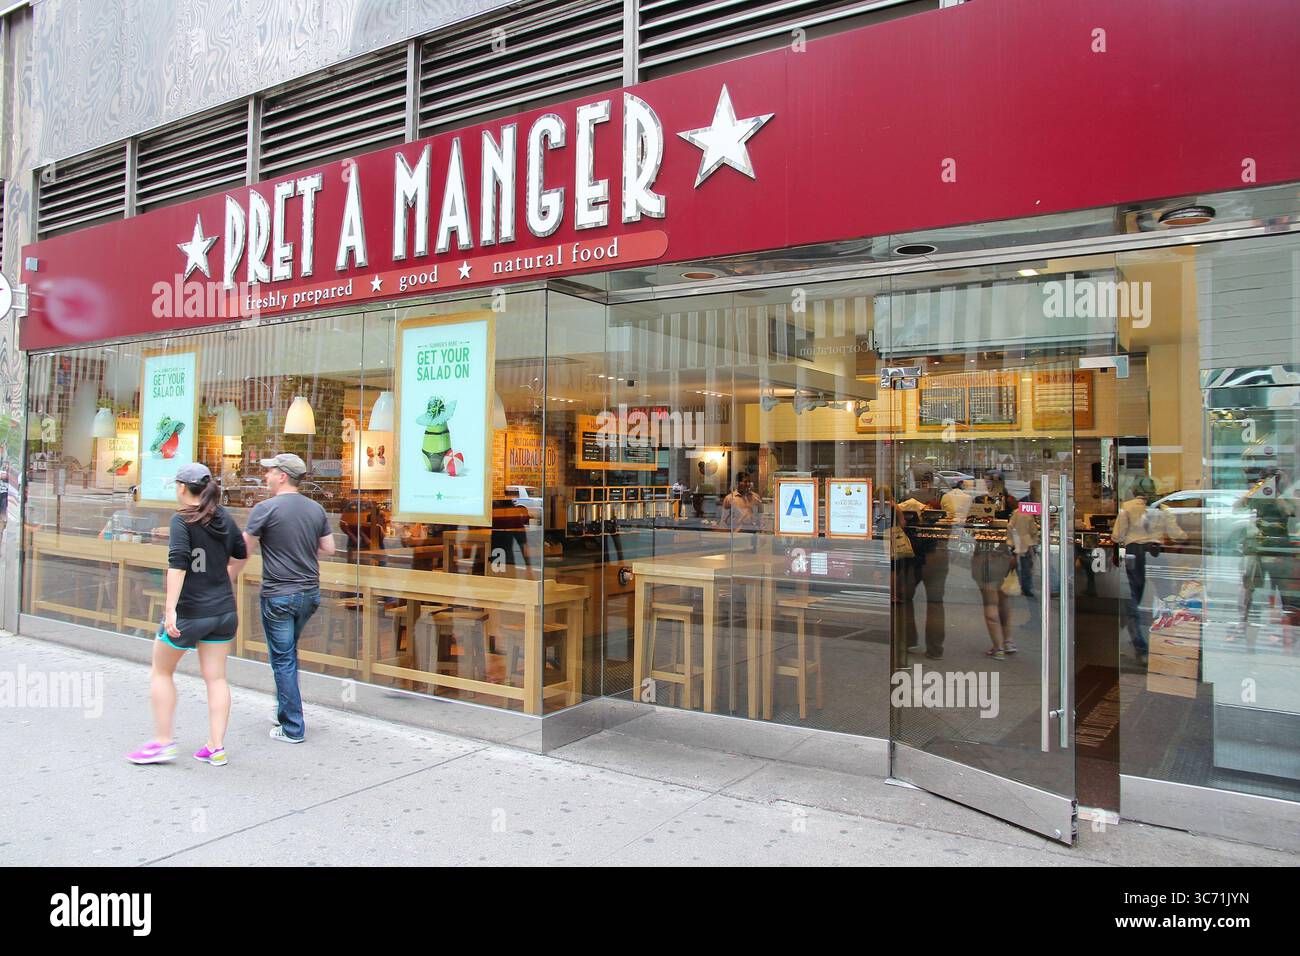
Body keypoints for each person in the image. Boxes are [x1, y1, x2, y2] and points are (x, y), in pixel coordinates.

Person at [126, 464, 247, 765]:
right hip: (223, 611)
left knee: (161, 671)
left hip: (191, 612)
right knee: (217, 678)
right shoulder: (224, 518)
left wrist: (170, 611)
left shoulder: (183, 521)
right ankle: (215, 747)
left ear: (182, 487)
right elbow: (241, 554)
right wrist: (223, 578)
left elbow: (178, 565)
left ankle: (163, 742)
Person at [243, 453, 336, 743]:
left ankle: (292, 727)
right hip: (309, 594)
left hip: (279, 595)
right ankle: (285, 707)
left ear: (283, 476)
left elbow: (243, 549)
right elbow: (329, 548)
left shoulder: (265, 509)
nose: (266, 476)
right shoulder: (316, 509)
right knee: (287, 655)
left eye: (270, 472)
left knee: (282, 659)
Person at [1111, 475, 1187, 665]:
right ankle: (1172, 638)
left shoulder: (1126, 508)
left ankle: (1140, 647)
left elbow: (1116, 536)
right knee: (1166, 596)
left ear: (1134, 490)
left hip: (1134, 553)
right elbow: (1177, 535)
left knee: (1134, 600)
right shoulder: (1163, 509)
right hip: (1156, 554)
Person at [1007, 479, 1040, 599]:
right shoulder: (1027, 512)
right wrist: (1034, 543)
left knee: (1015, 566)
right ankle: (1025, 588)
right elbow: (1033, 530)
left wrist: (1011, 543)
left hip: (1017, 543)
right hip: (1026, 544)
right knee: (1026, 567)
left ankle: (1014, 586)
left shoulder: (1016, 513)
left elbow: (1010, 527)